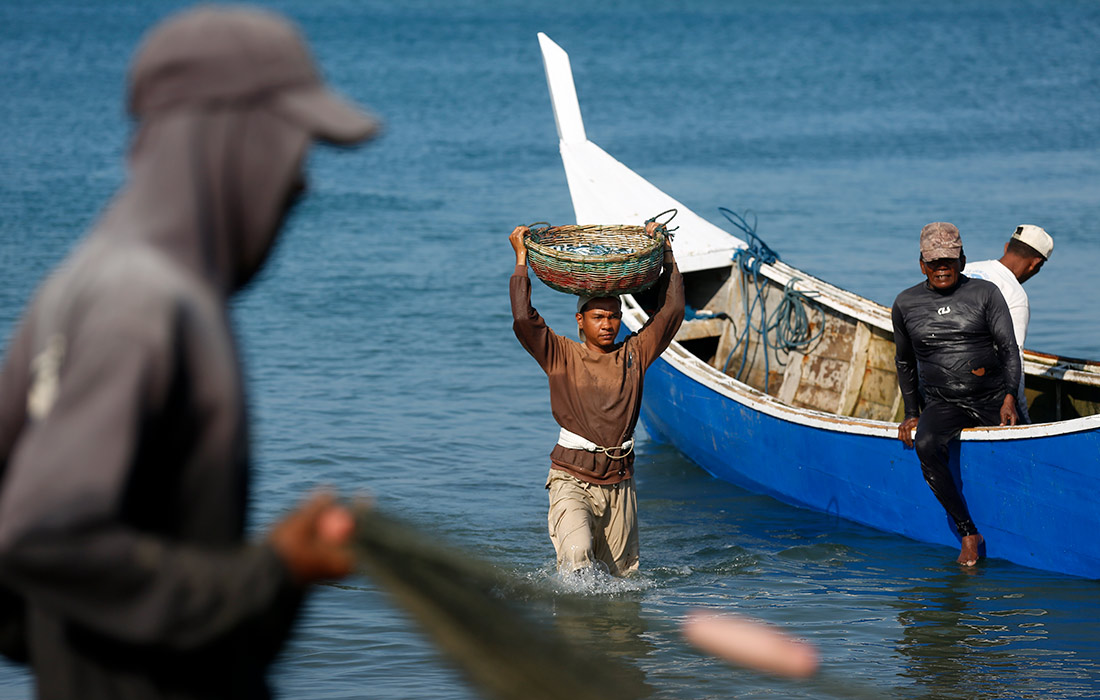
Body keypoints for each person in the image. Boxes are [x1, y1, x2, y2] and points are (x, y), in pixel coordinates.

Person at [0, 7, 379, 699]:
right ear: (227, 136)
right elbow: (40, 539)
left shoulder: (77, 286)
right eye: (293, 142)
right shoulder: (145, 307)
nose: (303, 182)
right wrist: (270, 571)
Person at [509, 223, 684, 576]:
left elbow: (672, 312)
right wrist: (521, 261)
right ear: (580, 320)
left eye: (614, 316)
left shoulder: (635, 353)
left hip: (620, 481)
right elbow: (523, 319)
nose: (608, 324)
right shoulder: (559, 353)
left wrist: (666, 252)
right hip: (571, 477)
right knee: (578, 555)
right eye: (598, 317)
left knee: (622, 580)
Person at [892, 222, 1021, 567]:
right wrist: (911, 412)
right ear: (922, 265)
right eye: (933, 262)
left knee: (1021, 445)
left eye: (948, 259)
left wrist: (1010, 396)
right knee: (925, 444)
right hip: (943, 403)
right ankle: (968, 532)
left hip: (992, 398)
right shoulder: (906, 303)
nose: (941, 267)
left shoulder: (986, 293)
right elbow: (904, 361)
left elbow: (1009, 349)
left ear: (962, 260)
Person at [964, 224, 1054, 423]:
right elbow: (1015, 357)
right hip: (978, 391)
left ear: (1006, 247)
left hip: (933, 384)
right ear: (1035, 265)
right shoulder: (1015, 295)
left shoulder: (964, 269)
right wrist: (1023, 414)